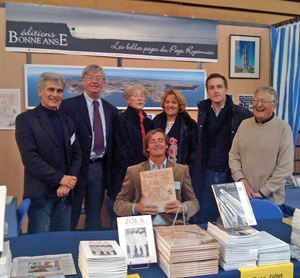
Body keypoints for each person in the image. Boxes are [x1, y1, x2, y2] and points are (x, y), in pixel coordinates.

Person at [15, 72, 81, 234]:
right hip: (40, 194)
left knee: (62, 242)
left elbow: (77, 153)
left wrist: (68, 181)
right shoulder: (25, 120)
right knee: (38, 244)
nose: (55, 94)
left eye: (59, 91)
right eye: (50, 90)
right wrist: (61, 179)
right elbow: (30, 159)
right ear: (40, 91)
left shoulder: (67, 120)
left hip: (65, 194)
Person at [59, 64, 118, 231]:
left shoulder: (110, 110)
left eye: (98, 78)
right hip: (75, 169)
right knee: (72, 212)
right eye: (90, 78)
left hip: (99, 168)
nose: (94, 81)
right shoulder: (68, 106)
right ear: (83, 81)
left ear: (104, 83)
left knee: (94, 213)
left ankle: (93, 250)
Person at [195, 73, 252, 224]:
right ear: (207, 91)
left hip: (230, 173)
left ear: (226, 89)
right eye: (211, 88)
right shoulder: (203, 111)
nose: (216, 91)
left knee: (232, 219)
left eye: (219, 86)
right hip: (207, 172)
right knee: (207, 217)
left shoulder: (241, 114)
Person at [113, 128, 199, 225]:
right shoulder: (134, 171)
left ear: (166, 145)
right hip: (145, 226)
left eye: (160, 141)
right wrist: (136, 208)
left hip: (173, 226)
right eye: (152, 142)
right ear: (147, 148)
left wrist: (183, 207)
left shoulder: (181, 170)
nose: (157, 144)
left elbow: (194, 202)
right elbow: (118, 204)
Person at [229, 86, 294, 207]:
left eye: (264, 101)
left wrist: (264, 192)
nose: (259, 104)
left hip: (271, 201)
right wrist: (240, 180)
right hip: (244, 197)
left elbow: (285, 167)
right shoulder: (244, 125)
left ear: (274, 106)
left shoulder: (283, 128)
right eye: (256, 100)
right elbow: (233, 156)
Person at [110, 85, 153, 200]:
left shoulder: (149, 122)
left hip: (147, 172)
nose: (140, 98)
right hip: (126, 173)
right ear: (128, 100)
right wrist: (136, 169)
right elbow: (120, 149)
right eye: (135, 95)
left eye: (142, 95)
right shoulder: (120, 120)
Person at [153, 89, 198, 167]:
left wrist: (188, 166)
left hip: (180, 169)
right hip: (158, 168)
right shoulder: (156, 121)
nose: (170, 105)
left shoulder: (189, 124)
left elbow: (195, 149)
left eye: (174, 102)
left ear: (179, 105)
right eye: (167, 102)